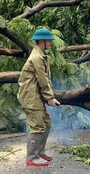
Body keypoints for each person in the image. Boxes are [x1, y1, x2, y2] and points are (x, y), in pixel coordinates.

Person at [17, 28, 60, 166]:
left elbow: (46, 78)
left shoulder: (40, 55)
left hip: (36, 96)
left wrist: (50, 96)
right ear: (42, 41)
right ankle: (32, 157)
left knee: (46, 122)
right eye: (49, 40)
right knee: (37, 126)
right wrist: (49, 97)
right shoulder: (36, 57)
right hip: (30, 97)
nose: (51, 43)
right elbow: (42, 79)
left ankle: (40, 152)